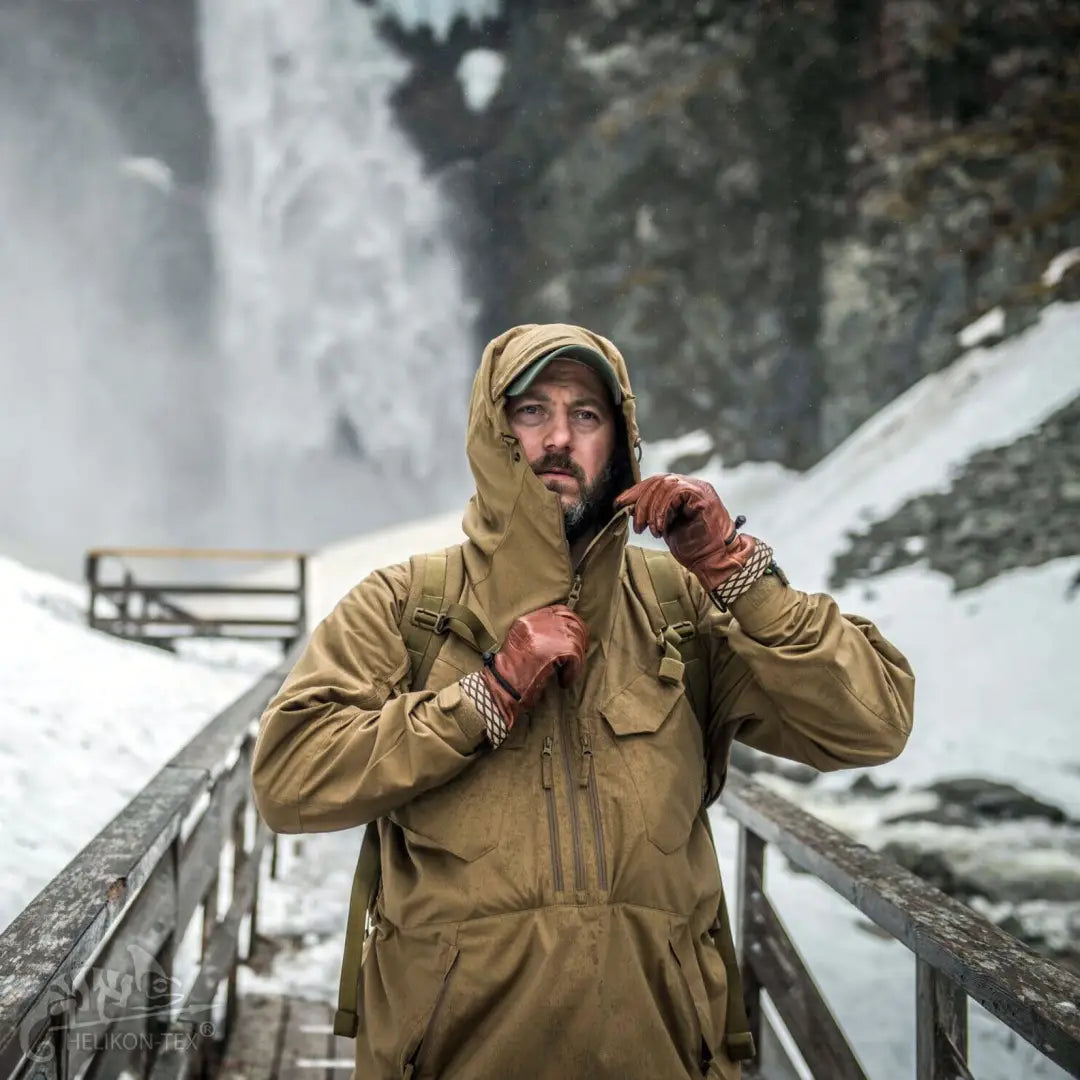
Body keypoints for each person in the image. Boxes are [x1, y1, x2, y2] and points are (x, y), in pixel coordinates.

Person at [251, 322, 915, 1080]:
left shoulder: (681, 607)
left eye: (587, 415)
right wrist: (484, 695)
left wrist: (736, 572)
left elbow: (874, 721)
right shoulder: (406, 604)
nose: (558, 438)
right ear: (492, 431)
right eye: (532, 411)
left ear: (621, 442)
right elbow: (286, 779)